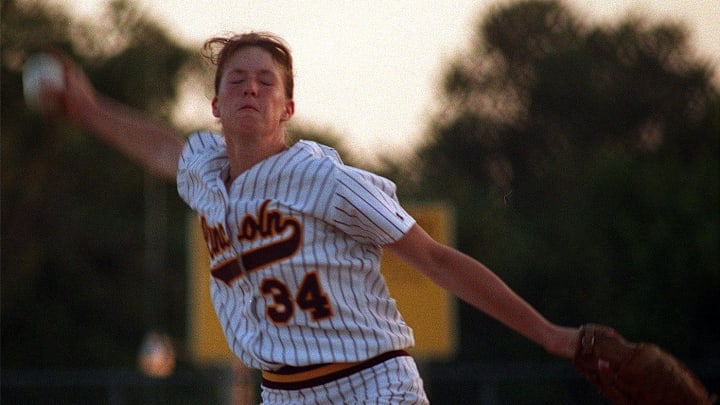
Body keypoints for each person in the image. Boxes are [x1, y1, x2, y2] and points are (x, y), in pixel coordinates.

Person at [54, 32, 580, 404]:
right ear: (216, 106)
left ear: (287, 109)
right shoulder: (206, 173)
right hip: (284, 393)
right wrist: (87, 106)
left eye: (266, 82)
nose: (251, 89)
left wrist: (549, 334)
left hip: (374, 382)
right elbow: (160, 148)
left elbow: (436, 260)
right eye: (237, 81)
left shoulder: (325, 180)